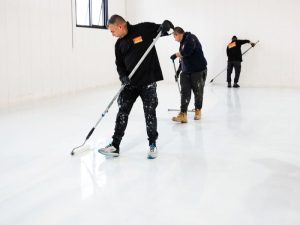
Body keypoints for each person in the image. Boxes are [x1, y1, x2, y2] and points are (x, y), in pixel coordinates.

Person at [98, 15, 173, 159]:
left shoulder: (143, 29)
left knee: (149, 113)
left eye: (112, 31)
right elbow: (119, 65)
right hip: (130, 84)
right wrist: (123, 77)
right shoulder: (119, 44)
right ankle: (115, 145)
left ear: (120, 26)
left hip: (148, 82)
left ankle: (152, 144)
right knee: (122, 112)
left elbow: (162, 31)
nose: (112, 35)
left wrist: (166, 26)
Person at [170, 27, 207, 123]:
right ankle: (183, 114)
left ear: (178, 34)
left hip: (198, 70)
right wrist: (178, 71)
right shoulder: (182, 43)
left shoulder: (191, 38)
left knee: (198, 91)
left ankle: (198, 110)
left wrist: (176, 54)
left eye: (175, 36)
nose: (174, 39)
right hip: (186, 71)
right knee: (184, 92)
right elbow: (183, 59)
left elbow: (187, 52)